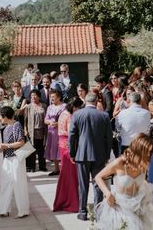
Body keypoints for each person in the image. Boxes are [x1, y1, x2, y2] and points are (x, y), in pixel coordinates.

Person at [94, 133, 153, 230]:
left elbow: (142, 181)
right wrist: (107, 192)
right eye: (147, 151)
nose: (149, 154)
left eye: (151, 151)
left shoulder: (144, 163)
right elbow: (98, 177)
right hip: (120, 207)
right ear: (139, 149)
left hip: (138, 207)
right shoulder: (120, 163)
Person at [70, 92, 113, 221]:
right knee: (98, 183)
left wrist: (72, 153)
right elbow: (109, 138)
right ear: (96, 102)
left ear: (86, 102)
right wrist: (106, 155)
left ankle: (82, 212)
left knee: (83, 185)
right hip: (99, 154)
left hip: (82, 154)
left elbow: (72, 135)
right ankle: (98, 212)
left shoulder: (77, 114)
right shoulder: (104, 115)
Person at [0, 106, 29, 219]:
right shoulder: (5, 128)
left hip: (16, 158)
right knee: (5, 184)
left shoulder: (16, 125)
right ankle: (3, 210)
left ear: (5, 116)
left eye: (0, 116)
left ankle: (23, 211)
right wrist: (3, 148)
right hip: (7, 158)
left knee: (18, 183)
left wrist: (6, 146)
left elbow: (21, 142)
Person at [53, 97, 83, 213]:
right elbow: (72, 134)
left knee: (65, 174)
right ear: (74, 107)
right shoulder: (70, 116)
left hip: (62, 145)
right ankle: (72, 202)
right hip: (68, 147)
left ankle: (64, 200)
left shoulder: (62, 113)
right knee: (71, 176)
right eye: (79, 108)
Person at [22, 89, 47, 172]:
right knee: (31, 149)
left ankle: (42, 166)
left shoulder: (43, 106)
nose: (34, 97)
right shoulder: (28, 106)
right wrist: (25, 129)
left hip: (41, 131)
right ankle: (31, 167)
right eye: (32, 95)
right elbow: (25, 119)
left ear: (39, 97)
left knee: (41, 149)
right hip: (31, 131)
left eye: (35, 95)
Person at [44, 89, 65, 176]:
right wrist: (49, 122)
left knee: (61, 149)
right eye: (51, 96)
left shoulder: (64, 106)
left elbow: (66, 118)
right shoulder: (49, 107)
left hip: (60, 130)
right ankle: (56, 169)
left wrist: (58, 123)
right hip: (51, 131)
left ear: (59, 97)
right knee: (53, 149)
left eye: (53, 97)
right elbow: (45, 119)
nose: (52, 98)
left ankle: (63, 169)